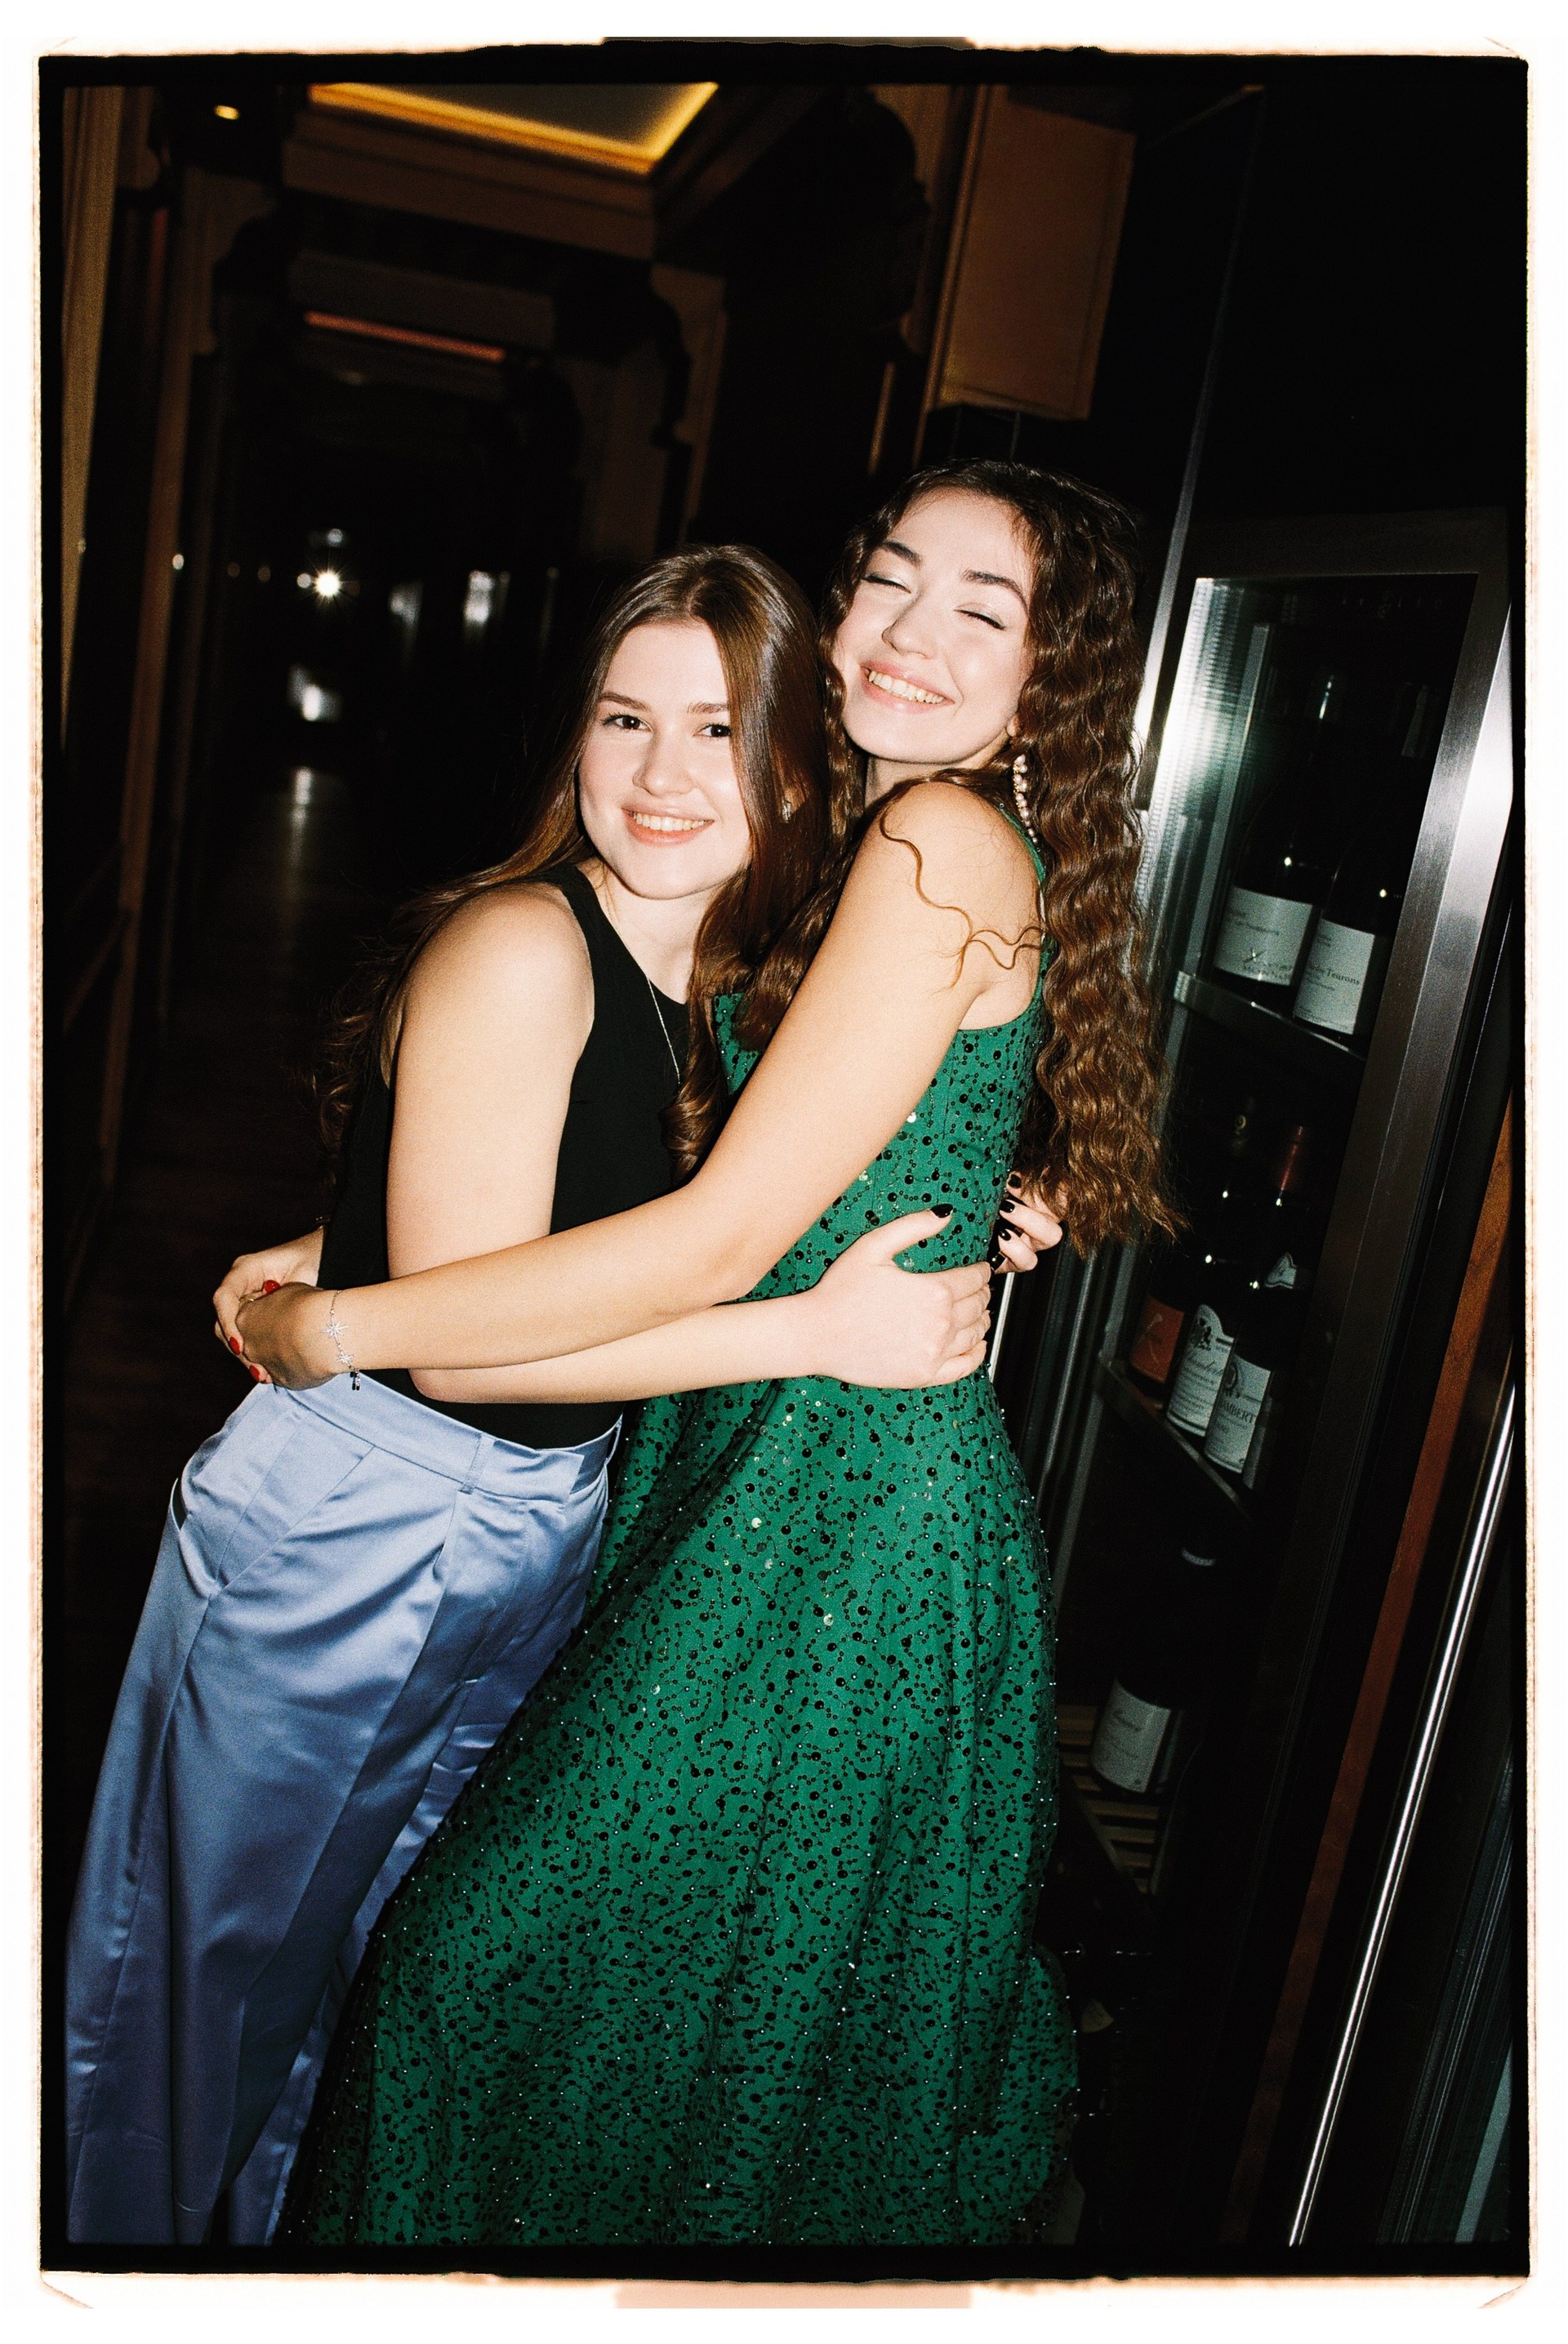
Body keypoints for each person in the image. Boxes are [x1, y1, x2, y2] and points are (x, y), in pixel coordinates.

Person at [243, 460, 1172, 2247]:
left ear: (1050, 675)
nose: (906, 632)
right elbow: (740, 1152)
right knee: (666, 2051)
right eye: (890, 579)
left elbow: (720, 1238)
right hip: (761, 1465)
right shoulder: (869, 837)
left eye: (981, 611)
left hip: (837, 1526)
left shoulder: (935, 840)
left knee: (479, 1978)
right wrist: (348, 1238)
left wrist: (339, 1327)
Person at [65, 546, 1023, 2248]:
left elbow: (575, 1212)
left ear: (794, 766)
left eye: (716, 729)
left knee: (362, 1983)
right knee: (191, 1998)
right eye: (622, 718)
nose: (661, 773)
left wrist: (1015, 1188)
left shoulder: (723, 979)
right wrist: (814, 1332)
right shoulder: (525, 943)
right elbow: (469, 1344)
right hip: (368, 1506)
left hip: (531, 1522)